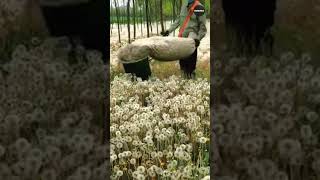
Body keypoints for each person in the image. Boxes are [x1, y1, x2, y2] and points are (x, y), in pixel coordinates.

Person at [161, 0, 207, 79]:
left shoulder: (199, 8)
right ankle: (184, 80)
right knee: (182, 64)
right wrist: (168, 31)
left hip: (191, 40)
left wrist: (198, 39)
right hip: (182, 39)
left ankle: (192, 82)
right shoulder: (184, 5)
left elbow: (203, 28)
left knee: (190, 65)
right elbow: (178, 20)